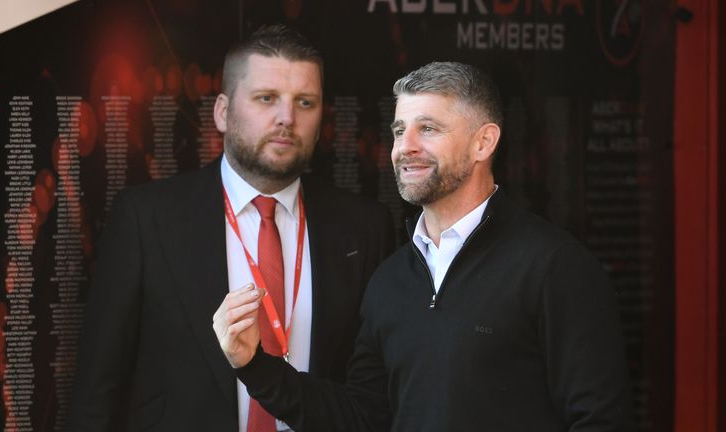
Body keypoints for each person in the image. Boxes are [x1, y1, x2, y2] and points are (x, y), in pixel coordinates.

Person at [214, 61, 635, 431]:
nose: (405, 147)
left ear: (483, 143)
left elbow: (600, 420)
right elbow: (362, 418)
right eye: (400, 130)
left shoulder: (554, 266)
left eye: (428, 129)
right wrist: (255, 365)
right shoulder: (391, 280)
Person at [67, 25, 394, 431]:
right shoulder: (145, 219)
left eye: (305, 102)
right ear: (222, 112)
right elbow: (97, 391)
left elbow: (372, 396)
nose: (287, 118)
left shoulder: (365, 228)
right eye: (266, 98)